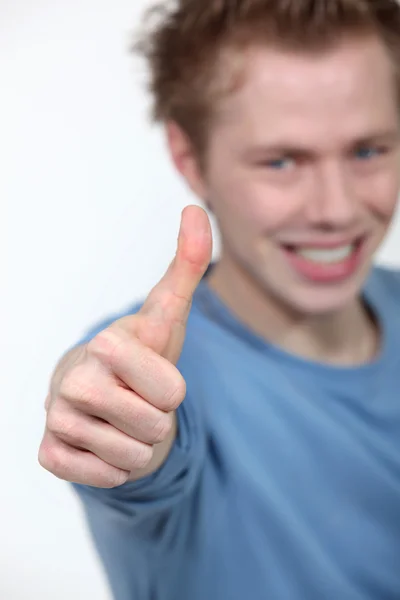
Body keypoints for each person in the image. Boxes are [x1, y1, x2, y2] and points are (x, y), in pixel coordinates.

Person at [39, 1, 400, 598]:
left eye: (368, 151)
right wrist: (105, 420)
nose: (336, 209)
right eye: (281, 161)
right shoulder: (152, 371)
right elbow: (124, 433)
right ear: (190, 160)